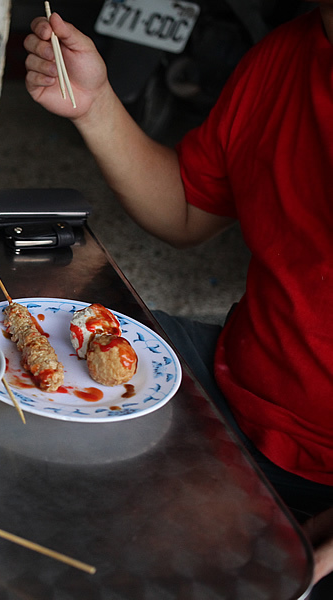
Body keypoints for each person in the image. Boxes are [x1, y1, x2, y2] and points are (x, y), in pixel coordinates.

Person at [23, 2, 333, 587]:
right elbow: (190, 209)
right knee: (21, 412)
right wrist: (96, 106)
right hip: (239, 385)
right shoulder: (288, 52)